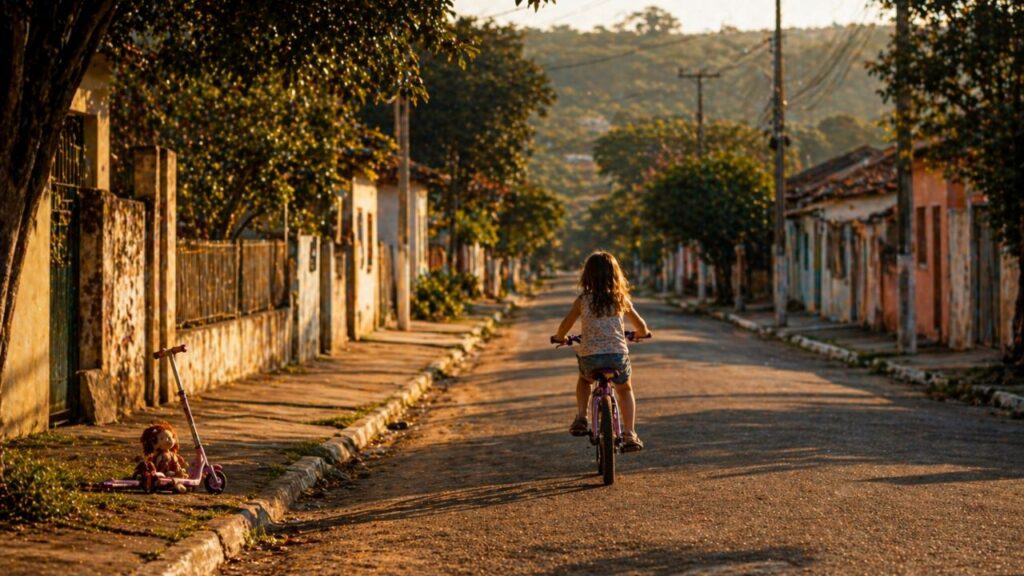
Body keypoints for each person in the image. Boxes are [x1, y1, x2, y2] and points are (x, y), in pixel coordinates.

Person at [551, 251, 650, 452]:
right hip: (617, 356)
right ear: (615, 275)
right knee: (625, 389)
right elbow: (640, 325)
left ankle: (581, 417)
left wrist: (560, 338)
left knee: (584, 380)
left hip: (590, 357)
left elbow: (565, 325)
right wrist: (642, 333)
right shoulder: (620, 299)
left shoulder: (583, 300)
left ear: (587, 276)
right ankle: (629, 433)